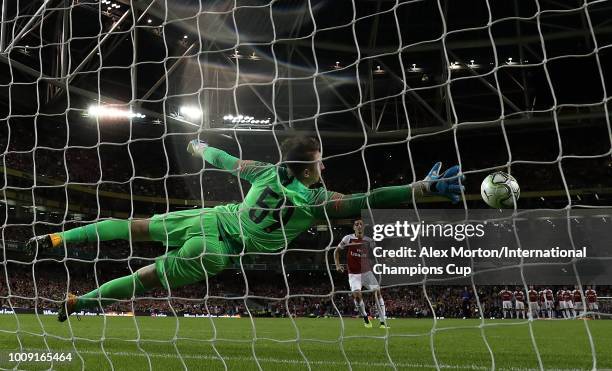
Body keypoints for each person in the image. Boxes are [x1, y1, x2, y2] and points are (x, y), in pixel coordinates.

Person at [25, 137, 463, 322]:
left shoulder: (265, 172)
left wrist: (198, 145)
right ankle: (80, 300)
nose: (325, 165)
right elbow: (372, 198)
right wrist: (420, 187)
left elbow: (224, 160)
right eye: (321, 160)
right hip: (220, 247)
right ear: (309, 168)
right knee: (149, 277)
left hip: (212, 218)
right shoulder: (317, 204)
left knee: (134, 228)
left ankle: (61, 238)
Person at [334, 219, 388, 329]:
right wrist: (337, 265)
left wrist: (387, 257)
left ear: (363, 227)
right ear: (354, 227)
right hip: (354, 274)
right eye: (356, 224)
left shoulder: (369, 240)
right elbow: (336, 251)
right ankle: (365, 318)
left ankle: (383, 322)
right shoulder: (348, 238)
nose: (359, 226)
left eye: (361, 224)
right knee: (357, 297)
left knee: (377, 293)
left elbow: (377, 253)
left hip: (367, 273)